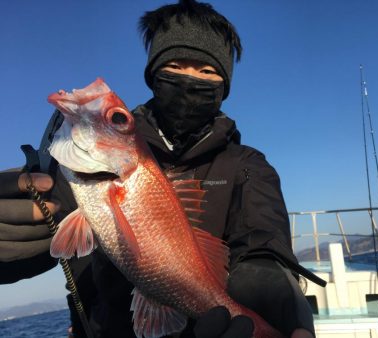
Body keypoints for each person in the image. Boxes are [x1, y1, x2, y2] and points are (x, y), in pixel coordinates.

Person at [0, 1, 319, 337]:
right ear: (154, 72)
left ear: (224, 83)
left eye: (207, 71)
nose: (191, 79)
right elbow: (45, 229)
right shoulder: (75, 169)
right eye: (177, 65)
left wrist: (277, 300)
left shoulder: (248, 164)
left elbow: (264, 244)